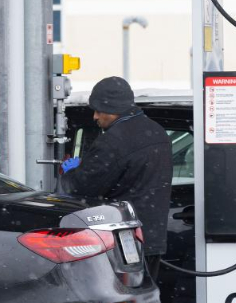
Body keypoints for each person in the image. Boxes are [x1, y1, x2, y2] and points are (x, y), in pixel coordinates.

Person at [60, 76, 172, 281]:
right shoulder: (157, 132)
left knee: (120, 300)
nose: (95, 117)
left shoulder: (114, 140)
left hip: (123, 239)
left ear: (109, 108)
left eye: (97, 110)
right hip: (152, 235)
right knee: (145, 297)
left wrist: (72, 172)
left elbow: (83, 187)